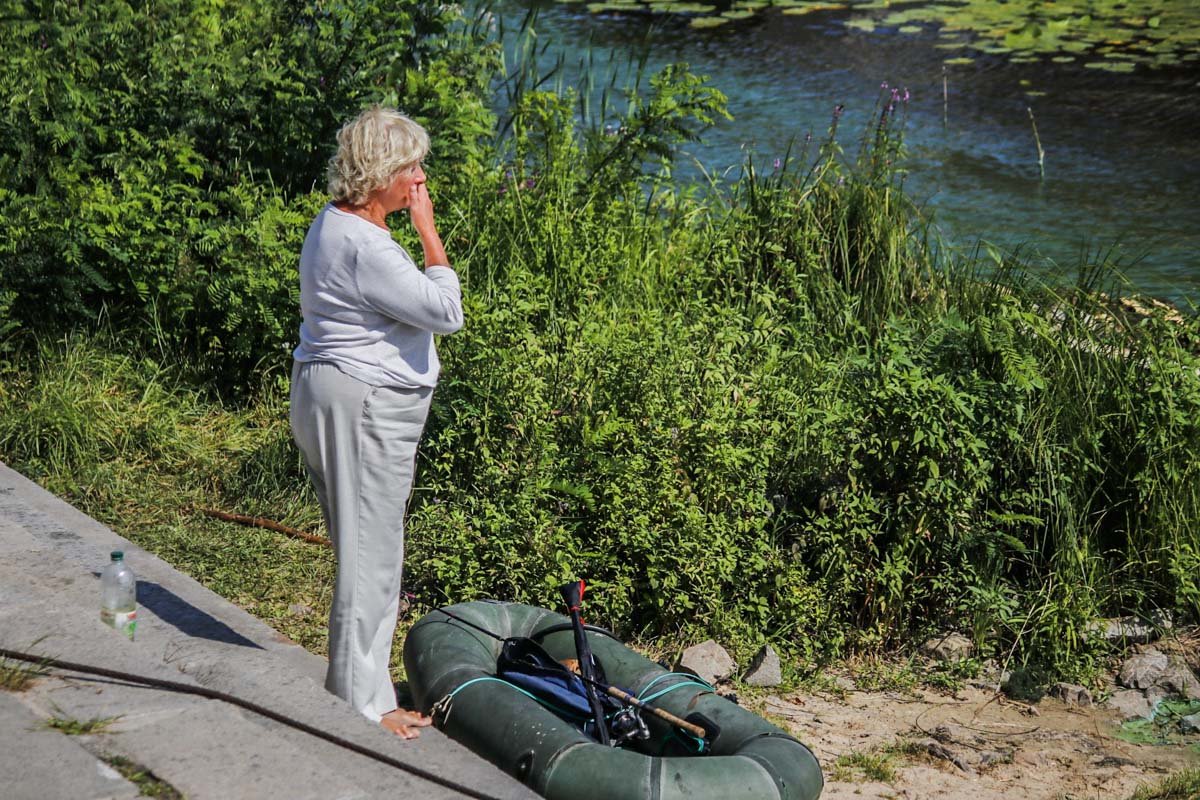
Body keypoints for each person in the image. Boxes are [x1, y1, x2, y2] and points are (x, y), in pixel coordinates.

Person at [289, 106, 463, 739]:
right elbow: (446, 310)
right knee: (373, 561)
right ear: (383, 173)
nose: (420, 178)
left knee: (360, 553)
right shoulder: (369, 246)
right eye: (412, 167)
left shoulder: (331, 223)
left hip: (328, 390)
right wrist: (429, 232)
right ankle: (363, 707)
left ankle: (358, 688)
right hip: (362, 406)